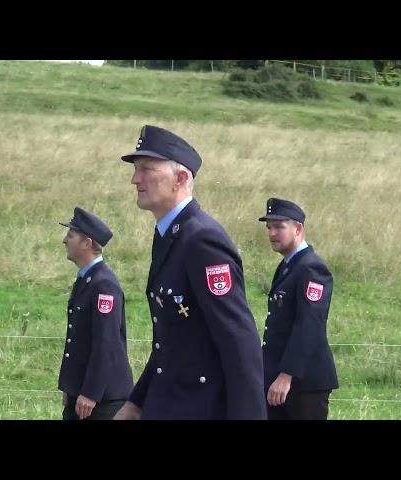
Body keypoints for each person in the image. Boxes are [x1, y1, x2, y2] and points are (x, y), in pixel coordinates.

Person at [113, 125, 266, 420]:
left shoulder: (202, 240)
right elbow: (171, 339)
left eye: (146, 169)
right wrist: (136, 402)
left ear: (180, 178)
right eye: (136, 170)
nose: (135, 179)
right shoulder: (169, 234)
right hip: (168, 403)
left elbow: (240, 342)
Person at [258, 197, 338, 420]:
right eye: (269, 227)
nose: (272, 233)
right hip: (280, 378)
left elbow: (309, 325)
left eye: (279, 227)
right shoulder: (288, 265)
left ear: (298, 228)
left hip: (303, 383)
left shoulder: (311, 268)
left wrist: (287, 376)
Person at [58, 207, 133, 420]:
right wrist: (70, 387)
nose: (65, 241)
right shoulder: (87, 280)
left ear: (87, 243)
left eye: (71, 235)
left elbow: (105, 343)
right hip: (83, 395)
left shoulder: (103, 286)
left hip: (100, 402)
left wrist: (91, 393)